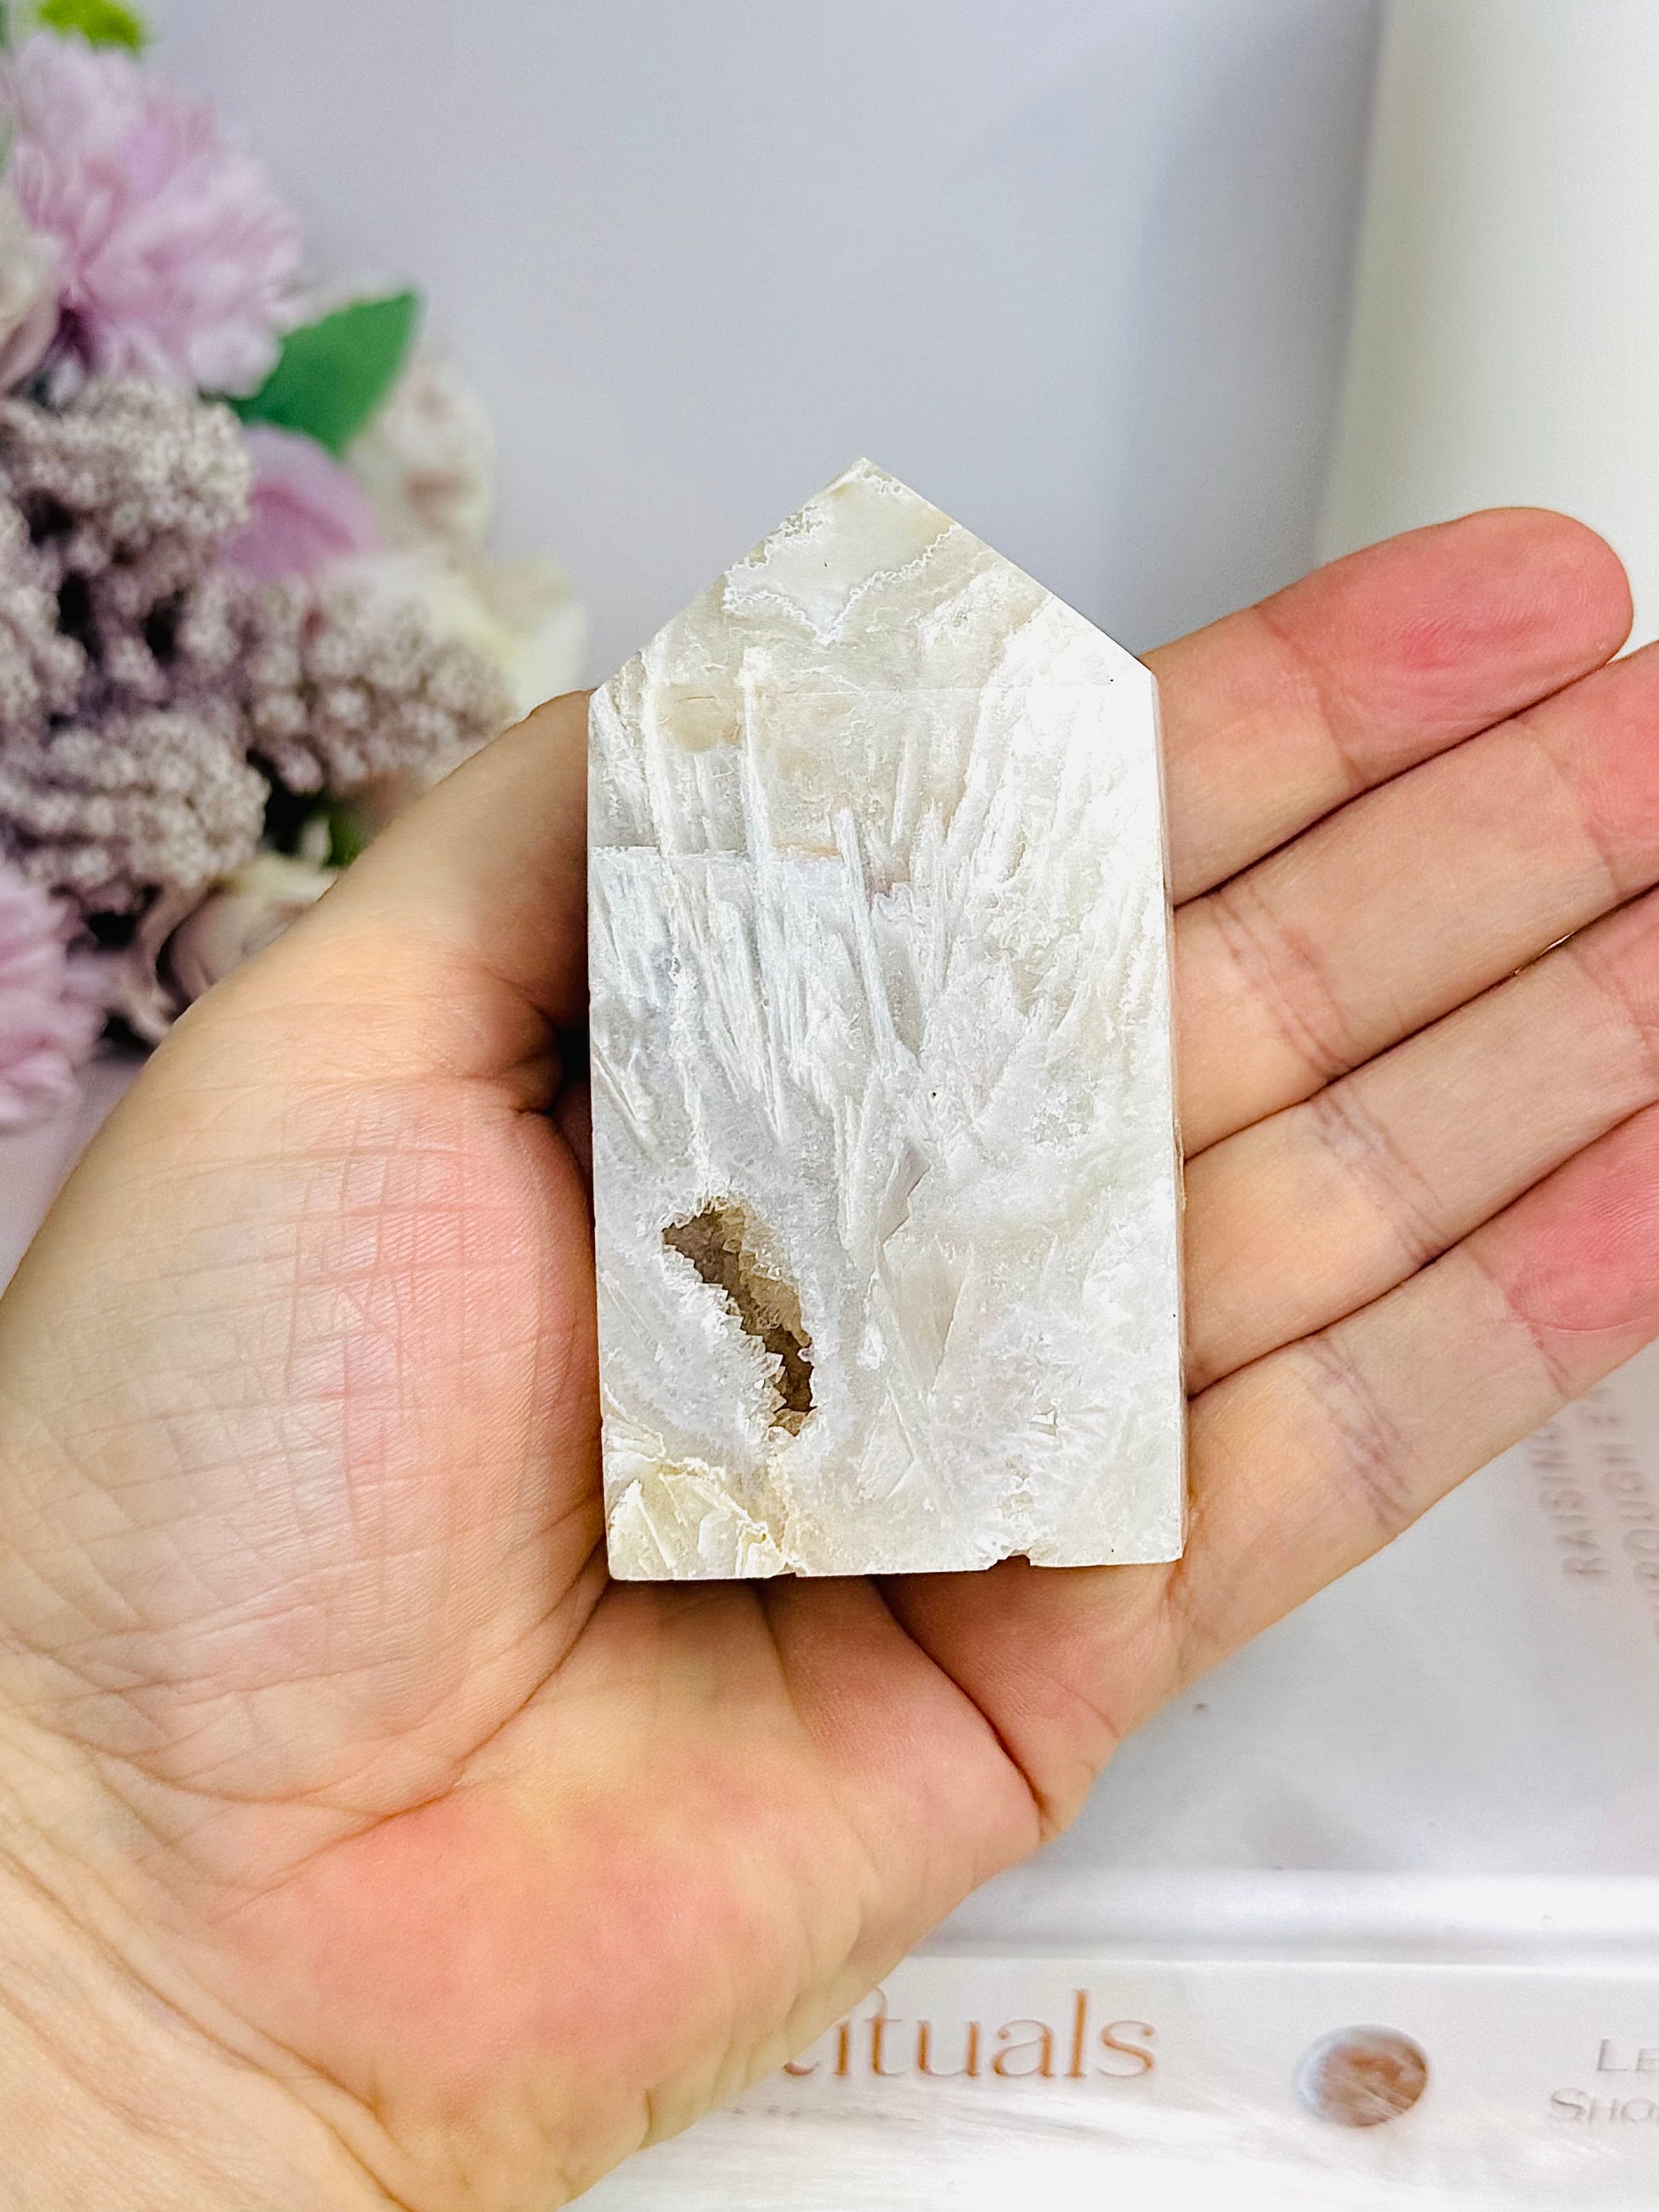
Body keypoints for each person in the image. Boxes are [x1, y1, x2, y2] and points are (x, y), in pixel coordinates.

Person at [0, 510, 1652, 2209]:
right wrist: (90, 1924)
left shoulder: (956, 820)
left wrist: (108, 1971)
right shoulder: (756, 840)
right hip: (759, 1430)